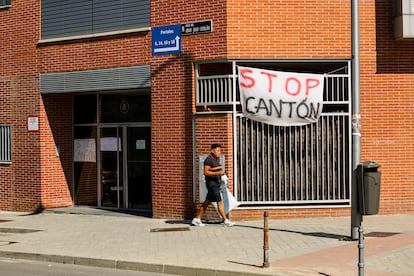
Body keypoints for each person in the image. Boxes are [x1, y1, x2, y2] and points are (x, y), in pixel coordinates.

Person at [192, 144, 235, 227]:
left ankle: (197, 219)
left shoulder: (216, 158)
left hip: (216, 183)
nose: (219, 152)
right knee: (219, 202)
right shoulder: (208, 160)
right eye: (217, 150)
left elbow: (215, 168)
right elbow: (206, 172)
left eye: (220, 150)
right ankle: (226, 220)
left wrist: (221, 174)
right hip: (211, 184)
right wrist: (218, 173)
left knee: (207, 202)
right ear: (212, 150)